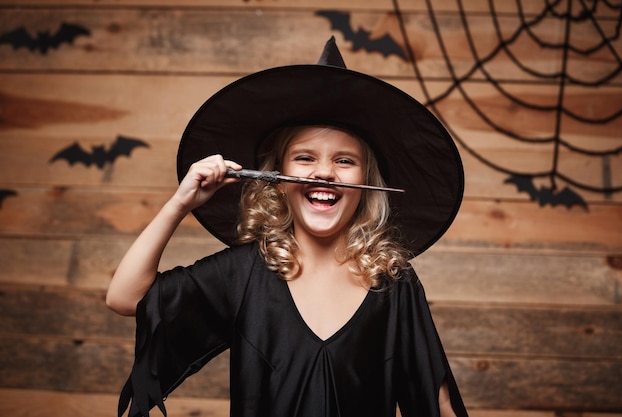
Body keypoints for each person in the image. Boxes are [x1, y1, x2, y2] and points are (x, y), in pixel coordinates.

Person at [107, 37, 467, 417]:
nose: (325, 172)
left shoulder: (392, 281)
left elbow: (439, 401)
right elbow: (125, 298)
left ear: (367, 181)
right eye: (305, 157)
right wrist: (179, 205)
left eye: (345, 161)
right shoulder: (243, 273)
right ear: (276, 177)